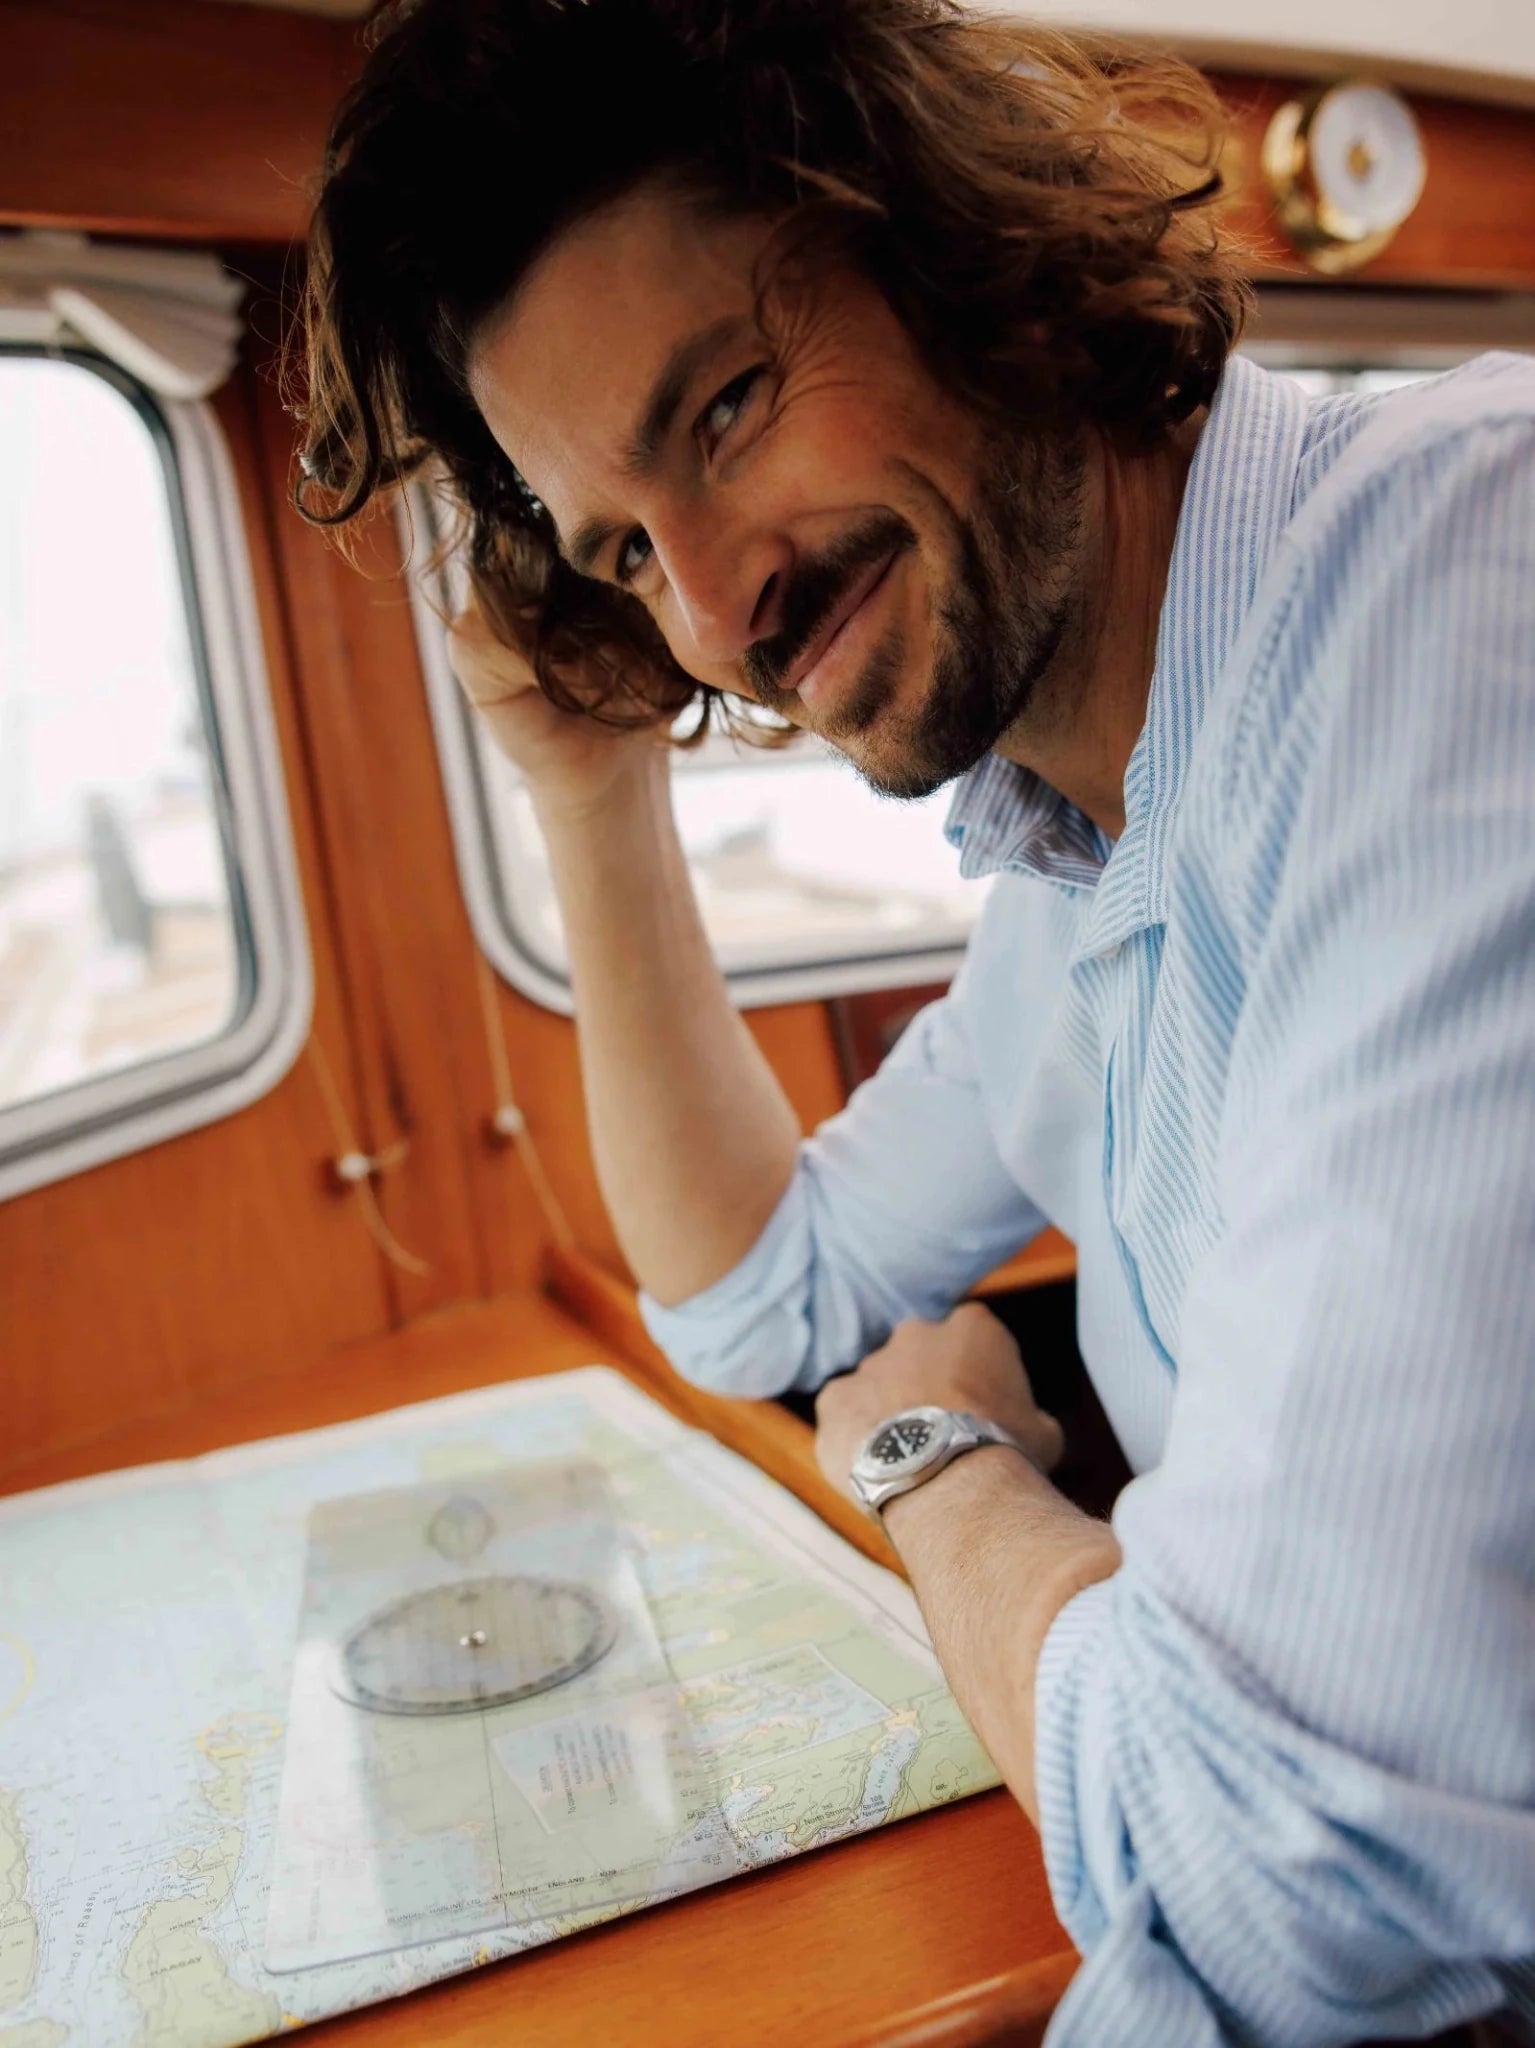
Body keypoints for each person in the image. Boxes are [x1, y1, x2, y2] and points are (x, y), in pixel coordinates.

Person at [292, 1, 1535, 2037]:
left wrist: (935, 1468)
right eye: (619, 547)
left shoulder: (1461, 596)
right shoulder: (1076, 856)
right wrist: (589, 794)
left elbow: (1300, 1886)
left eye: (724, 405)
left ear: (963, 248)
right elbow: (755, 1294)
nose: (706, 615)